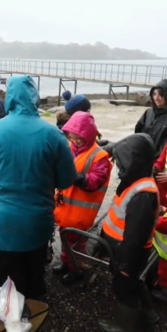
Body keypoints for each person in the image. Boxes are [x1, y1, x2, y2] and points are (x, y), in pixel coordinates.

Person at [0, 75, 77, 300]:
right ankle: (36, 309)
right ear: (34, 98)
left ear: (9, 99)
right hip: (37, 223)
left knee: (7, 279)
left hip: (0, 225)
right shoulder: (52, 134)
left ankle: (12, 317)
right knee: (34, 274)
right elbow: (67, 180)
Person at [97, 133, 160, 332]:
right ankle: (149, 314)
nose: (118, 167)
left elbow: (135, 237)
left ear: (132, 162)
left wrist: (125, 265)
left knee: (124, 287)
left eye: (120, 162)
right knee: (135, 281)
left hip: (128, 252)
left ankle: (124, 327)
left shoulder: (142, 194)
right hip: (123, 248)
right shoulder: (140, 178)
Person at [53, 111, 112, 284]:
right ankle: (66, 263)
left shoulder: (100, 156)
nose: (76, 141)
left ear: (90, 135)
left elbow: (95, 182)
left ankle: (77, 270)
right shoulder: (70, 149)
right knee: (64, 237)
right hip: (65, 207)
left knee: (77, 243)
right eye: (72, 137)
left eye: (79, 138)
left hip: (81, 211)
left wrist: (75, 177)